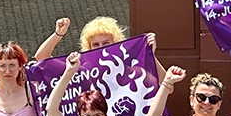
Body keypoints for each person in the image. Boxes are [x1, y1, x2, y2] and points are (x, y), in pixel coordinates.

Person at [33, 16, 167, 81]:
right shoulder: (80, 68)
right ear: (88, 47)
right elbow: (41, 58)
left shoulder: (127, 67)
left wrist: (150, 54)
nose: (101, 48)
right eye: (96, 45)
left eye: (106, 43)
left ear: (116, 43)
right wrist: (58, 34)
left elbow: (164, 83)